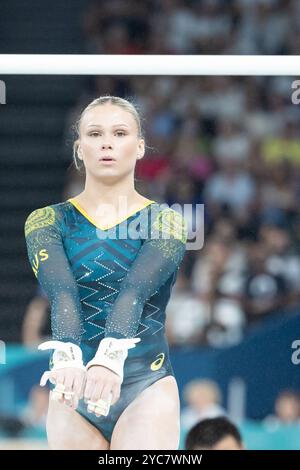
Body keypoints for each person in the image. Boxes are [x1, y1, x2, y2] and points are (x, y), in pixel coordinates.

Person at [24, 96, 187, 450]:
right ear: (80, 148)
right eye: (95, 134)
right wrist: (67, 352)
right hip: (73, 388)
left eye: (120, 132)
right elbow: (62, 292)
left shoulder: (167, 221)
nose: (107, 143)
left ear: (140, 146)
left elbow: (135, 290)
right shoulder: (47, 221)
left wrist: (110, 356)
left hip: (145, 384)